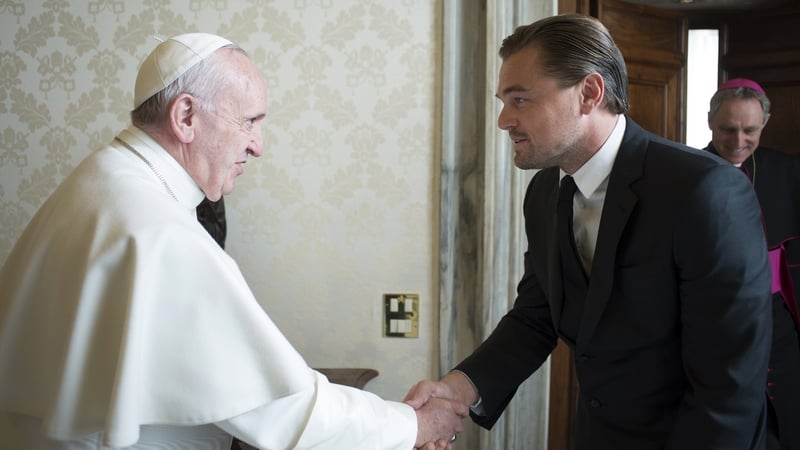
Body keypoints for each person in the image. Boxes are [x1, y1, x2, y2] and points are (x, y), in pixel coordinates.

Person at [0, 33, 466, 450]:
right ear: (185, 116)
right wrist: (415, 426)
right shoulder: (157, 229)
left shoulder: (105, 177)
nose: (258, 146)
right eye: (249, 121)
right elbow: (283, 410)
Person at [404, 13, 773, 450]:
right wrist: (458, 389)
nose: (504, 120)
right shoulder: (543, 193)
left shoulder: (706, 191)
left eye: (520, 100)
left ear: (589, 93)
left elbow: (730, 385)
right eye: (503, 101)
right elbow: (536, 317)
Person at [704, 77, 800, 450]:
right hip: (714, 319)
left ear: (766, 123)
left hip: (778, 317)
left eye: (750, 130)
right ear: (710, 121)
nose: (739, 141)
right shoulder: (682, 172)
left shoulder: (787, 172)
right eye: (728, 129)